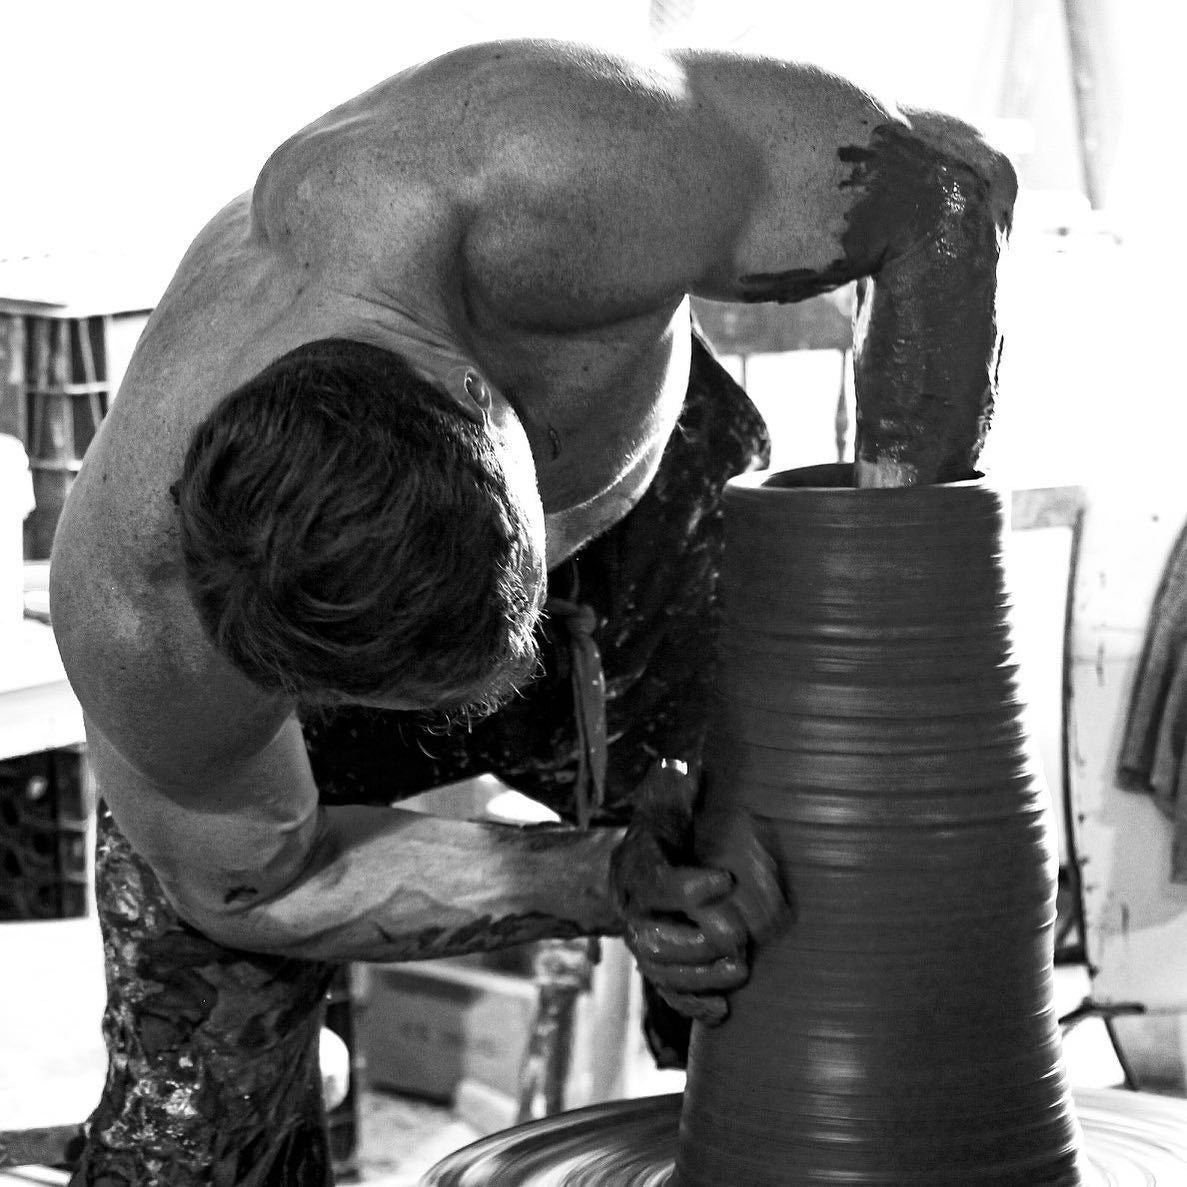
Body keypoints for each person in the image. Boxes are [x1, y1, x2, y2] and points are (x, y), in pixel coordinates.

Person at [49, 39, 1016, 1184]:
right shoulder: (144, 625)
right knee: (192, 1113)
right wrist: (595, 875)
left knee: (794, 912)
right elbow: (269, 878)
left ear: (483, 395)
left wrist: (898, 590)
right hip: (282, 690)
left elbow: (942, 192)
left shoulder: (564, 168)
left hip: (641, 546)